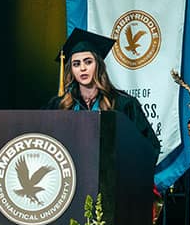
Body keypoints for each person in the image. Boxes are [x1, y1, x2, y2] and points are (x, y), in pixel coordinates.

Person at [44, 28, 161, 159]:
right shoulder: (59, 105)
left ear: (98, 65)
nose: (82, 68)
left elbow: (150, 147)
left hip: (112, 176)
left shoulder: (123, 104)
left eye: (88, 62)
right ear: (71, 70)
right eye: (76, 64)